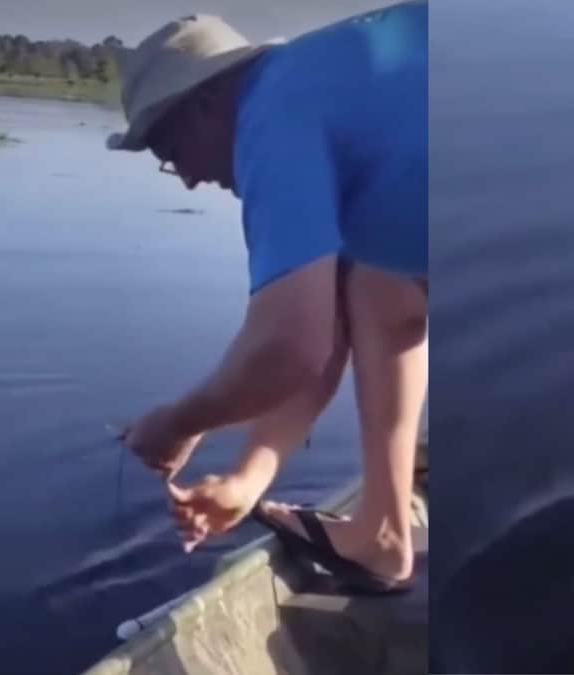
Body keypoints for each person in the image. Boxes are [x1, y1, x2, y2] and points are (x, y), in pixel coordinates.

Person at [107, 1, 427, 594]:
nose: (187, 179)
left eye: (170, 154)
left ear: (202, 106)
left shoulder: (270, 113)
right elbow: (325, 331)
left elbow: (288, 345)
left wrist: (177, 425)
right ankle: (382, 531)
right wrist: (248, 480)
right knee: (381, 287)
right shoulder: (321, 89)